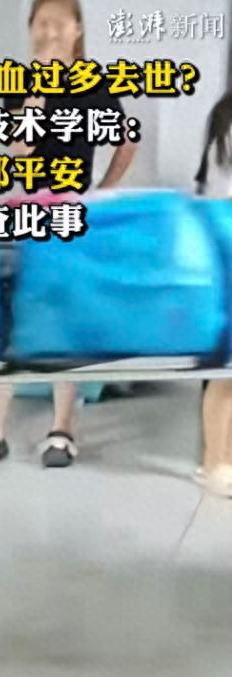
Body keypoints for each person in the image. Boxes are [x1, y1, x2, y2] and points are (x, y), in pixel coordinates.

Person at [0, 0, 136, 471]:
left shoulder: (96, 83)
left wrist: (104, 190)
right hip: (24, 207)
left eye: (60, 23)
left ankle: (62, 429)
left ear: (78, 30)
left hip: (71, 210)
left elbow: (127, 140)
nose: (50, 32)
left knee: (63, 318)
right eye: (41, 23)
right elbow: (19, 150)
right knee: (10, 318)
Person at [195, 91, 232, 497]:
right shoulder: (227, 119)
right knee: (226, 372)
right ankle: (214, 463)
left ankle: (222, 459)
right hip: (226, 247)